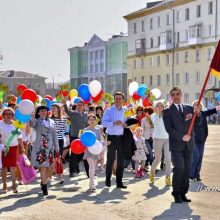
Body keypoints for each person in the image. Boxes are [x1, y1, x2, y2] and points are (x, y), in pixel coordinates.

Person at [163, 87, 201, 203]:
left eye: (177, 94)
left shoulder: (189, 108)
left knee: (187, 170)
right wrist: (181, 136)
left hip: (189, 144)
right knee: (179, 168)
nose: (175, 96)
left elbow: (197, 123)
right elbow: (169, 128)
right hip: (176, 145)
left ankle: (184, 193)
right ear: (171, 97)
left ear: (181, 95)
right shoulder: (168, 111)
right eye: (173, 94)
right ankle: (176, 193)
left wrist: (198, 114)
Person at [30, 106, 59, 196]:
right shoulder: (36, 121)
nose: (43, 112)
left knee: (48, 167)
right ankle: (45, 186)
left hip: (50, 147)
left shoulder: (51, 121)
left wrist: (57, 147)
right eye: (41, 111)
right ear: (38, 112)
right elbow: (32, 124)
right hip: (40, 147)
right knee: (43, 166)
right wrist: (33, 117)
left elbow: (54, 135)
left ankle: (43, 182)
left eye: (45, 111)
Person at [102, 91, 127, 188]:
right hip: (111, 137)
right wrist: (113, 123)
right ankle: (108, 179)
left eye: (120, 98)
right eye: (116, 98)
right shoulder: (109, 110)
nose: (118, 100)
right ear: (114, 99)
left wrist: (127, 125)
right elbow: (103, 123)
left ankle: (119, 182)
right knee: (110, 159)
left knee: (121, 161)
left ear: (123, 100)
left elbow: (132, 121)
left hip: (122, 138)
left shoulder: (126, 110)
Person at [190, 101, 220, 181]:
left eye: (198, 105)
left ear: (201, 106)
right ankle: (190, 174)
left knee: (200, 157)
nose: (197, 106)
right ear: (193, 107)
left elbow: (213, 110)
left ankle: (196, 175)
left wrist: (219, 106)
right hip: (193, 139)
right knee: (196, 155)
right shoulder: (191, 115)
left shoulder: (203, 114)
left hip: (202, 139)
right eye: (195, 105)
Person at [0, 107, 25, 194]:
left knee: (13, 167)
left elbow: (20, 137)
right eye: (6, 114)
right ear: (3, 115)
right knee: (3, 168)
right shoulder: (0, 124)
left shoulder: (16, 124)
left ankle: (14, 184)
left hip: (13, 148)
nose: (8, 116)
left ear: (13, 115)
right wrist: (1, 146)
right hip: (2, 148)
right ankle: (4, 184)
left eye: (10, 114)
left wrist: (22, 148)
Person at [62, 99, 89, 177]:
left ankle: (86, 172)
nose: (79, 106)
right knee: (74, 154)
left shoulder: (86, 115)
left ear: (84, 106)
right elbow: (67, 110)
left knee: (83, 154)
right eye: (78, 105)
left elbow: (88, 125)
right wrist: (64, 104)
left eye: (81, 105)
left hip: (83, 137)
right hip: (74, 137)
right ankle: (71, 171)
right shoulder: (73, 114)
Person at [150, 101, 171, 186]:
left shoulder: (167, 115)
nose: (160, 107)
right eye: (158, 106)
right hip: (157, 139)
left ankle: (168, 177)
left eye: (161, 106)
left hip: (167, 139)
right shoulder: (153, 116)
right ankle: (152, 173)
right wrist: (159, 114)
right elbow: (156, 122)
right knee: (158, 159)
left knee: (168, 158)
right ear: (155, 107)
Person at [50, 103, 69, 184]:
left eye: (55, 108)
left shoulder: (63, 119)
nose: (53, 109)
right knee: (52, 159)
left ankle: (60, 176)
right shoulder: (49, 119)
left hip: (60, 140)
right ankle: (50, 176)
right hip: (51, 141)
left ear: (58, 109)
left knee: (58, 158)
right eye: (52, 108)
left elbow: (66, 129)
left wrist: (68, 137)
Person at [83, 114, 102, 191]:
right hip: (88, 151)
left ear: (95, 121)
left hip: (95, 151)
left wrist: (101, 153)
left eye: (93, 120)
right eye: (90, 119)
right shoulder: (85, 130)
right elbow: (82, 141)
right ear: (88, 121)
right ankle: (92, 184)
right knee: (91, 167)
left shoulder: (98, 130)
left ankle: (91, 183)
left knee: (93, 167)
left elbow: (100, 141)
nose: (91, 121)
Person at [141, 106, 154, 171]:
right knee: (150, 152)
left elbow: (155, 127)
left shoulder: (154, 118)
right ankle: (152, 165)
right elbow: (142, 129)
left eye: (145, 112)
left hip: (154, 138)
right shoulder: (143, 120)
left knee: (148, 153)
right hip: (145, 138)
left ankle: (146, 165)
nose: (144, 114)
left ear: (149, 112)